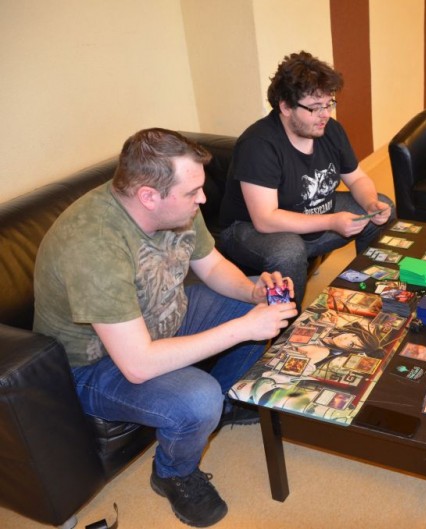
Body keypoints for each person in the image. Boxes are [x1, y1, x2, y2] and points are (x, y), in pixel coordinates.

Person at [33, 128, 298, 528]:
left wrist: (253, 292)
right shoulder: (94, 244)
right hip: (95, 364)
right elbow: (137, 364)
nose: (203, 199)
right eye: (193, 192)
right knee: (198, 399)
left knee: (255, 309)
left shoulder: (176, 208)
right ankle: (173, 473)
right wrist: (244, 328)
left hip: (159, 318)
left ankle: (225, 404)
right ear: (148, 196)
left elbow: (212, 267)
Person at [218, 50, 395, 306]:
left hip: (312, 213)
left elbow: (357, 178)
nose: (325, 114)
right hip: (249, 229)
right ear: (285, 107)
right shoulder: (258, 144)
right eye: (314, 108)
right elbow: (265, 219)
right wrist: (332, 221)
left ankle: (373, 294)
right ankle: (287, 324)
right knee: (288, 251)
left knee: (383, 206)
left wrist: (370, 204)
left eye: (329, 104)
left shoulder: (330, 130)